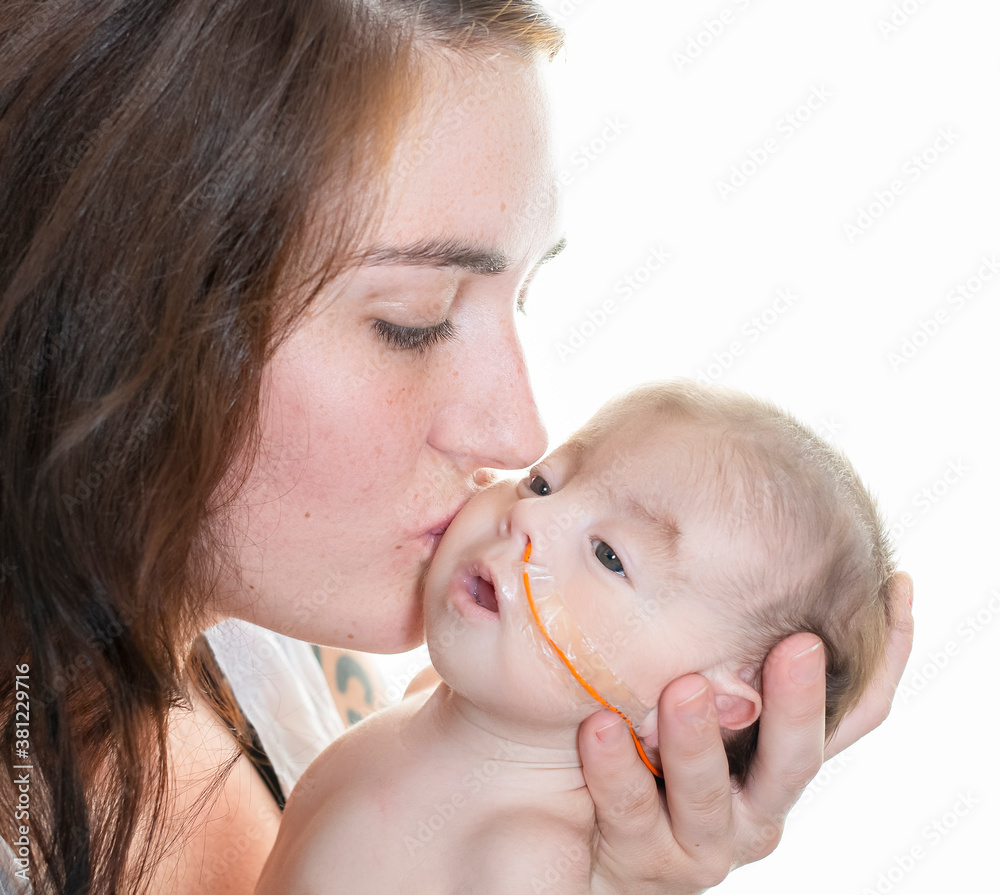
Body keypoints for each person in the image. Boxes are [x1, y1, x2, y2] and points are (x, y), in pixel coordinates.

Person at [0, 2, 913, 893]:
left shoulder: (303, 657)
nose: (518, 440)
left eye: (520, 300)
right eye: (416, 322)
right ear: (114, 315)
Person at [255, 380, 898, 894]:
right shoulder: (430, 698)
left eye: (609, 555)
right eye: (544, 480)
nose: (530, 514)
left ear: (704, 705)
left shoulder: (530, 861)